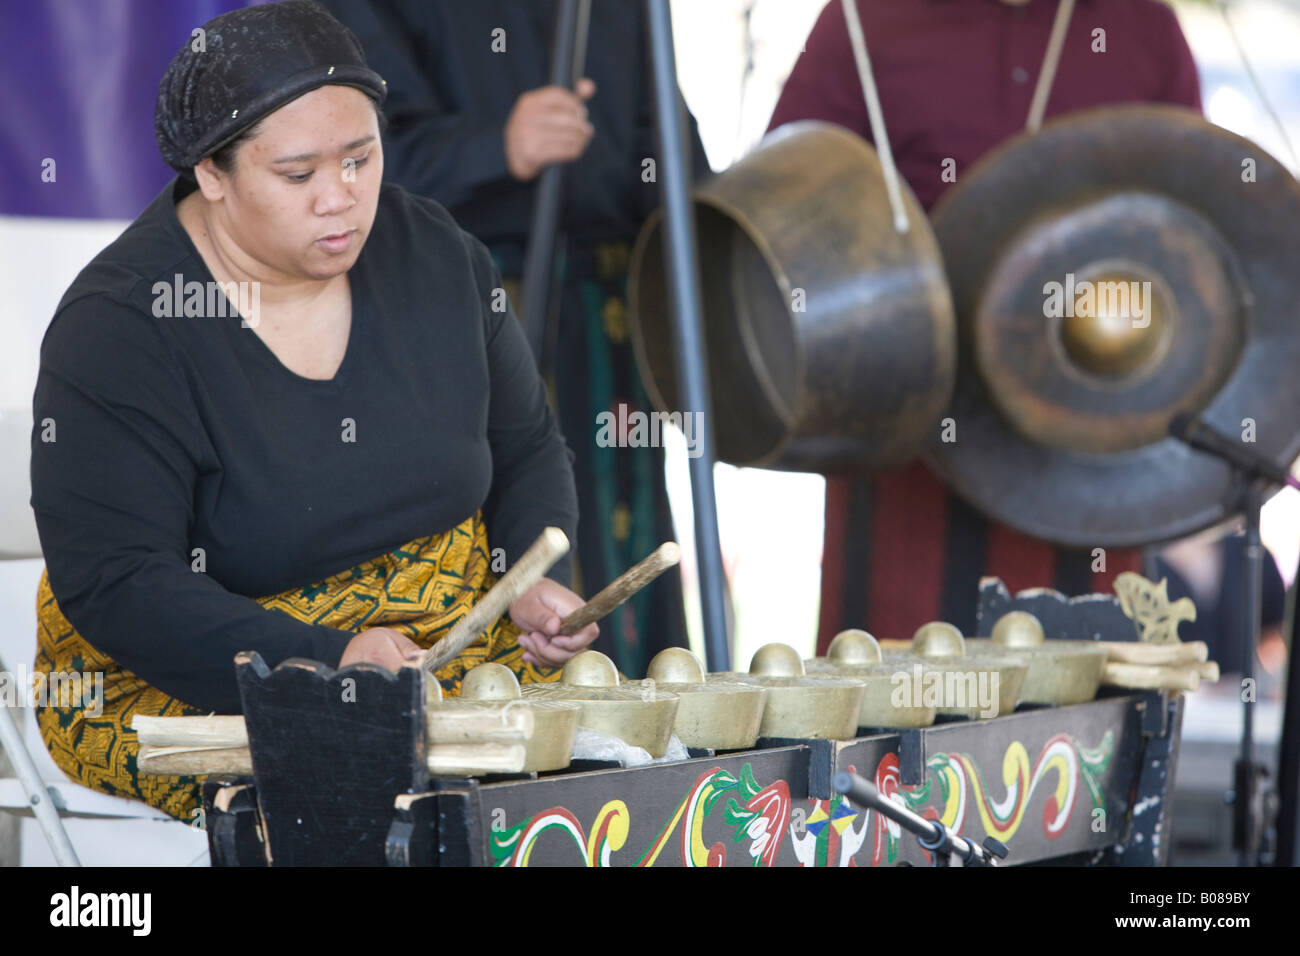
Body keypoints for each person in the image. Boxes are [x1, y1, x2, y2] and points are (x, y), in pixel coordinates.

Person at [29, 0, 597, 822]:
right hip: (187, 673)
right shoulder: (122, 328)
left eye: (361, 159)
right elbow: (119, 583)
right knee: (364, 790)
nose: (342, 197)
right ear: (211, 175)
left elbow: (527, 446)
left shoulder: (436, 253)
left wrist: (528, 579)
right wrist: (329, 660)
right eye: (298, 175)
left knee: (605, 758)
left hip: (433, 646)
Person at [766, 0, 1204, 647]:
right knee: (894, 705)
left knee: (1086, 709)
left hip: (1093, 447)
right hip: (906, 441)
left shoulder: (1141, 25)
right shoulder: (863, 17)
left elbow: (1198, 224)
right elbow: (787, 200)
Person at [320, 0, 710, 678]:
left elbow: (672, 151)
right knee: (495, 547)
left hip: (609, 321)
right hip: (458, 316)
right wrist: (499, 145)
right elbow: (346, 167)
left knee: (625, 547)